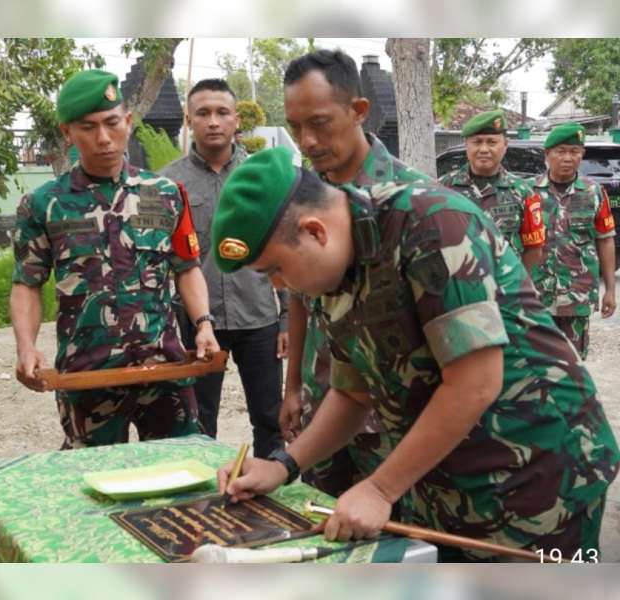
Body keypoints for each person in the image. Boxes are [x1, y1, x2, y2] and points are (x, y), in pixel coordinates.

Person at [213, 146, 619, 561]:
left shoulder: (432, 225)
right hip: (446, 484)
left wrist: (378, 487)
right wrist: (282, 465)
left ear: (316, 231)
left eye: (274, 270)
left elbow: (475, 382)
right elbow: (353, 393)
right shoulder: (332, 269)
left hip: (539, 479)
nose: (280, 286)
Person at [10, 69, 220, 449]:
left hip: (164, 369)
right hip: (88, 373)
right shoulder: (43, 204)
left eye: (111, 123)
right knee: (93, 484)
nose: (103, 139)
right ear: (67, 133)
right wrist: (26, 347)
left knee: (180, 471)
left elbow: (187, 268)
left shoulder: (166, 194)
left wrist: (203, 324)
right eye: (88, 127)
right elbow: (27, 282)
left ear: (127, 121)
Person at [280, 49, 428, 499]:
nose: (306, 141)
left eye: (319, 123)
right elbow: (300, 299)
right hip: (326, 402)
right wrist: (293, 387)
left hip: (388, 417)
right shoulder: (304, 198)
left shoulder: (412, 206)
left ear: (358, 111)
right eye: (295, 128)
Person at [162, 78, 288, 458]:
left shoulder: (262, 177)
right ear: (189, 120)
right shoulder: (167, 182)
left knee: (270, 418)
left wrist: (287, 322)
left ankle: (271, 492)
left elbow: (283, 249)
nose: (213, 121)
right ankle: (201, 499)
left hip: (259, 318)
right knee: (197, 421)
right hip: (196, 322)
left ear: (236, 119)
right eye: (203, 113)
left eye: (222, 113)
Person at [529, 122, 616, 359]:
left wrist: (610, 290)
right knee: (536, 364)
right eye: (561, 151)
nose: (568, 157)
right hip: (535, 294)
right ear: (547, 154)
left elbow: (605, 241)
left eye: (574, 152)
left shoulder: (594, 192)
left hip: (576, 296)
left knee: (572, 365)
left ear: (582, 155)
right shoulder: (528, 192)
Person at [439, 109, 545, 273]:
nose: (484, 149)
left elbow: (534, 249)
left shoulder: (523, 192)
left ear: (505, 145)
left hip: (505, 292)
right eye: (477, 142)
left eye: (491, 142)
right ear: (466, 145)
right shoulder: (442, 189)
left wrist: (518, 286)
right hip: (459, 292)